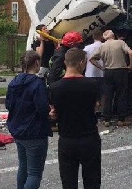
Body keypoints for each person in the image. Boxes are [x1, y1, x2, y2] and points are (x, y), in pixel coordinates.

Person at [49, 48, 101, 189]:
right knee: (92, 181)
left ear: (65, 62)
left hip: (67, 138)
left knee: (68, 182)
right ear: (82, 63)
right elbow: (96, 107)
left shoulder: (54, 87)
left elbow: (54, 112)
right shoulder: (92, 85)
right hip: (89, 136)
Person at [6, 50, 52, 189]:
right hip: (34, 131)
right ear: (37, 63)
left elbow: (8, 105)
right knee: (35, 173)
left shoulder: (14, 81)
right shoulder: (37, 83)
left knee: (23, 167)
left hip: (18, 129)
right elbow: (42, 108)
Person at [89, 29, 132, 127]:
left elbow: (91, 59)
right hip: (121, 71)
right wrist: (131, 65)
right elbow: (131, 53)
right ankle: (121, 119)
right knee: (121, 95)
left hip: (108, 72)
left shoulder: (102, 46)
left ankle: (107, 119)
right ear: (113, 35)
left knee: (108, 95)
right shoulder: (120, 42)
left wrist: (101, 67)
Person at [84, 29, 105, 114]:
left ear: (93, 37)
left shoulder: (87, 48)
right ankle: (103, 111)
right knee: (103, 93)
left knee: (91, 94)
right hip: (103, 73)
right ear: (102, 37)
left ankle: (93, 111)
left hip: (89, 73)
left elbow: (84, 59)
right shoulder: (105, 46)